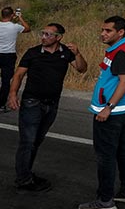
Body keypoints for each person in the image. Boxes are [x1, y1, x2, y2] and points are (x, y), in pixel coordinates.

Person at [7, 23, 87, 192]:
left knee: (36, 141)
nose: (43, 37)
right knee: (27, 141)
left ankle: (26, 173)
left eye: (48, 34)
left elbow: (81, 69)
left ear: (59, 37)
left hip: (51, 104)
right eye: (42, 34)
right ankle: (23, 179)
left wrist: (77, 53)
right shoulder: (33, 53)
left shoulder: (66, 52)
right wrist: (13, 94)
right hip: (32, 102)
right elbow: (19, 74)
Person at [78, 16, 125, 209]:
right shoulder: (122, 48)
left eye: (108, 31)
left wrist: (108, 107)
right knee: (122, 150)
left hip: (112, 114)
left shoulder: (121, 53)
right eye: (102, 30)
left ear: (120, 32)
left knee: (105, 157)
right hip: (124, 110)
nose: (103, 34)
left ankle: (105, 201)